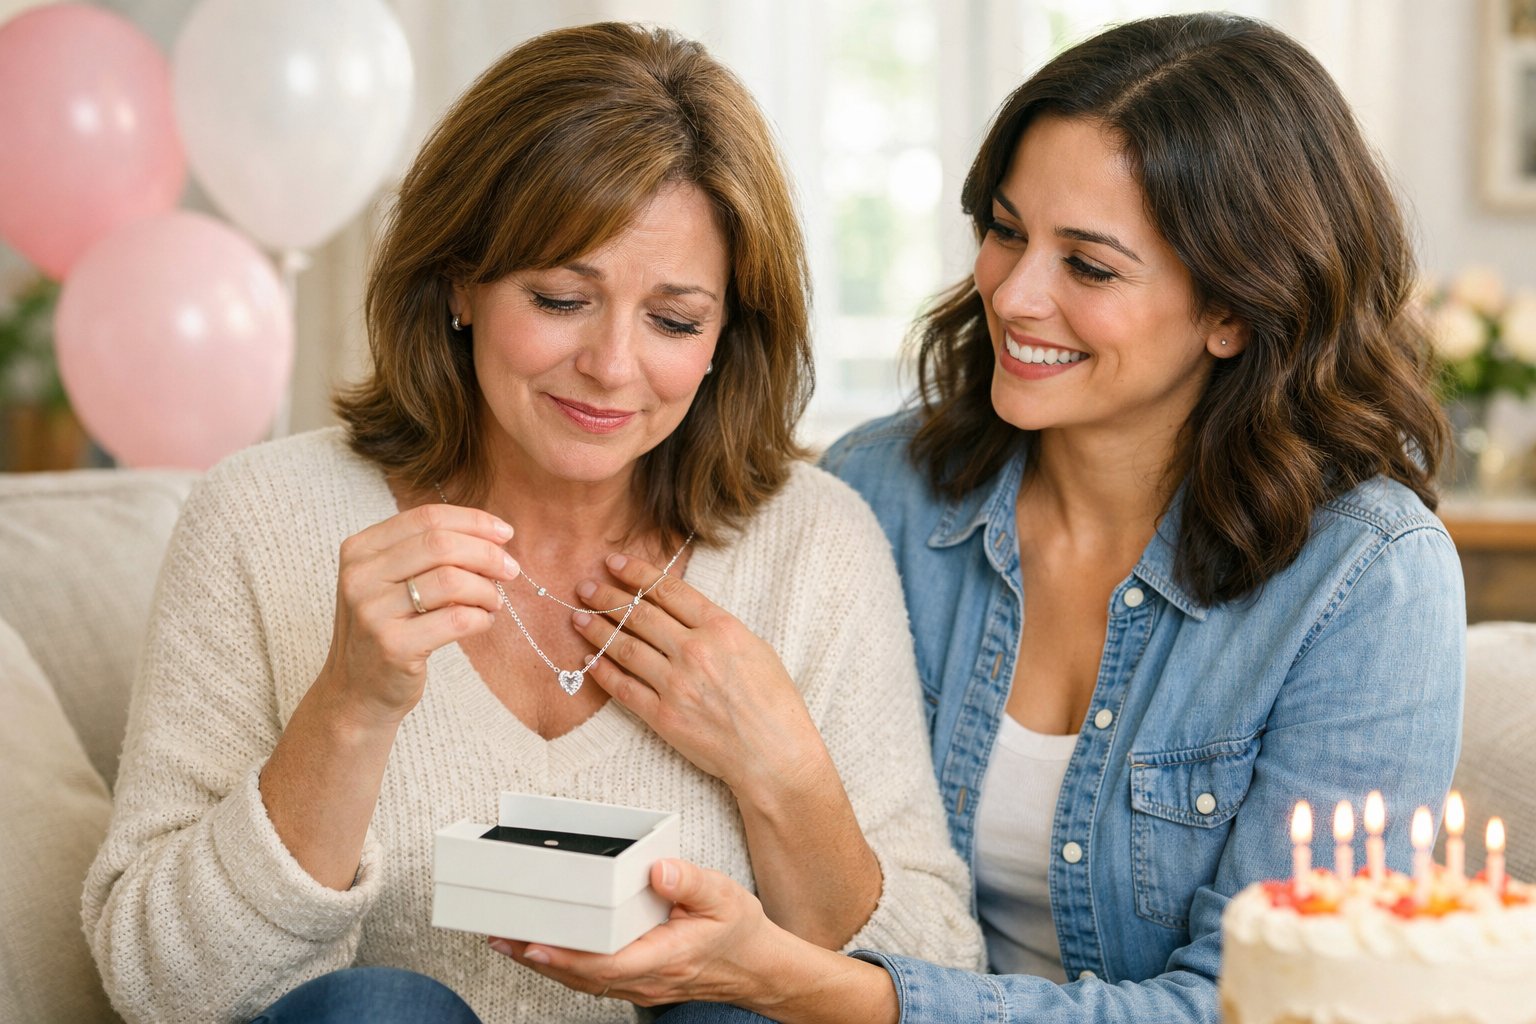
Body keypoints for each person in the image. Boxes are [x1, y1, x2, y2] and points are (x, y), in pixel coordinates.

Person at [494, 13, 1466, 1023]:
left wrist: (802, 982)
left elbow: (1263, 1004)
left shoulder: (1368, 578)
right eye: (1006, 231)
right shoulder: (882, 490)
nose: (1013, 293)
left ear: (1234, 309)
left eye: (1088, 266)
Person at [82, 22, 982, 1024]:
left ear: (730, 336)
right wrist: (349, 707)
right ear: (460, 280)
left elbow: (935, 983)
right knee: (380, 1009)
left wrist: (786, 773)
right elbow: (160, 989)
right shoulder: (260, 518)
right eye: (560, 297)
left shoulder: (815, 542)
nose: (609, 364)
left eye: (675, 321)